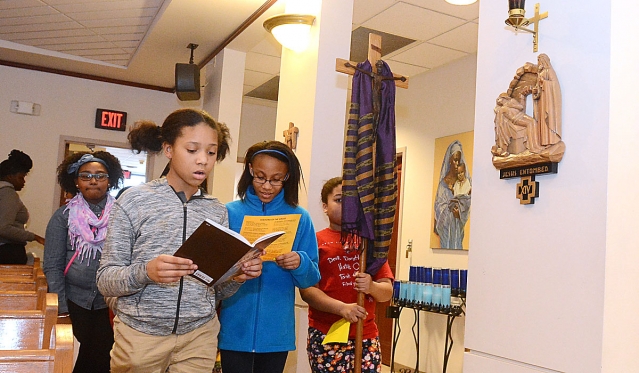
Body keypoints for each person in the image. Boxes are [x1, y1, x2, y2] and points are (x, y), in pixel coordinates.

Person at [96, 108, 263, 373]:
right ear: (169, 149)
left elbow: (214, 289)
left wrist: (237, 277)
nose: (203, 161)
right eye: (192, 150)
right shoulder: (135, 201)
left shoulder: (216, 210)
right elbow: (106, 280)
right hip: (141, 336)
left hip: (199, 335)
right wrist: (146, 272)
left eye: (210, 152)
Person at [218, 140, 321, 373]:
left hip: (277, 331)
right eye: (260, 177)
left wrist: (300, 262)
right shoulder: (229, 212)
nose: (267, 186)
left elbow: (311, 278)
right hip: (235, 326)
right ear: (250, 171)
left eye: (276, 179)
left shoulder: (300, 216)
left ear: (287, 178)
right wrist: (237, 269)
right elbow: (214, 272)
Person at [300, 177, 393, 373]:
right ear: (325, 207)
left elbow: (387, 292)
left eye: (353, 201)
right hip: (327, 335)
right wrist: (342, 308)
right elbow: (308, 291)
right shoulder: (315, 241)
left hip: (365, 335)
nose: (347, 206)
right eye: (339, 200)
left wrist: (371, 287)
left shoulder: (369, 243)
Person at [43, 151, 124, 373]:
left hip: (111, 305)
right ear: (76, 182)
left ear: (110, 180)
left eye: (100, 175)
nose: (93, 181)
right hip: (73, 303)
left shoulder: (123, 215)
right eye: (85, 175)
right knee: (74, 363)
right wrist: (61, 309)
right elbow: (52, 265)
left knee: (104, 363)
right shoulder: (63, 216)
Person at [0, 149, 44, 264]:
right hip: (7, 251)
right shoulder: (7, 192)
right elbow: (3, 228)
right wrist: (34, 237)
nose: (24, 182)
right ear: (10, 176)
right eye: (21, 177)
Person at [434, 141, 471, 250]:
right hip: (446, 228)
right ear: (450, 159)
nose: (456, 164)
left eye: (459, 160)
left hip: (457, 229)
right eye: (455, 160)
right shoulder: (443, 184)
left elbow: (468, 204)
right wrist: (448, 210)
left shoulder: (465, 182)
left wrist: (459, 213)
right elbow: (438, 206)